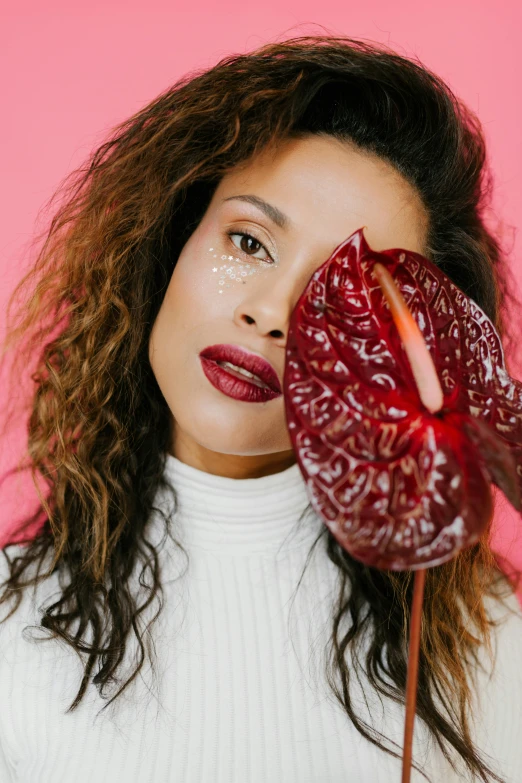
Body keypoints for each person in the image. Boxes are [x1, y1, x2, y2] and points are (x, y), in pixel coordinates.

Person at [0, 34, 521, 783]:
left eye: (348, 297)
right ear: (172, 240)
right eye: (248, 241)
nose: (274, 313)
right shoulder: (11, 636)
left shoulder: (484, 649)